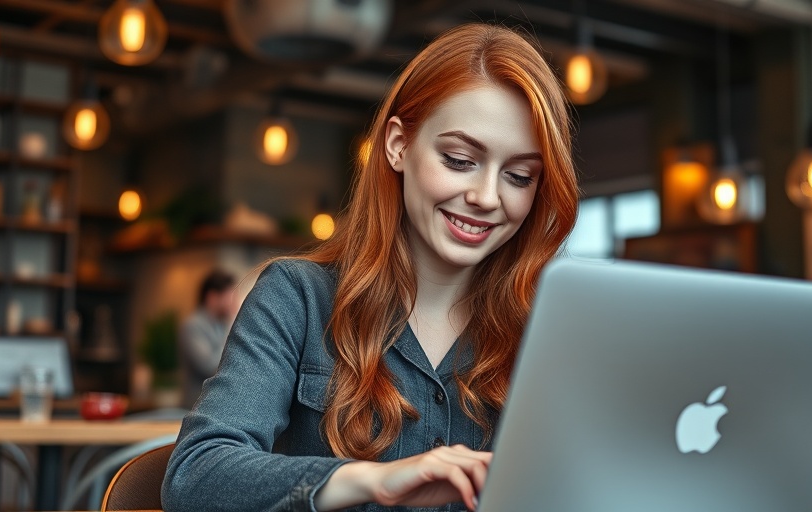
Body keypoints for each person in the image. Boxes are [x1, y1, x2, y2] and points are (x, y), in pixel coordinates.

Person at [163, 22, 579, 512]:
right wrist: (369, 481)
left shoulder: (547, 331)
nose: (487, 197)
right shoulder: (297, 298)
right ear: (398, 146)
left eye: (518, 175)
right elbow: (195, 475)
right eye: (460, 159)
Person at [178, 269, 238, 409]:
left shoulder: (222, 324)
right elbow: (209, 366)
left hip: (217, 406)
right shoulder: (192, 325)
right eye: (229, 295)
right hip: (195, 407)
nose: (232, 301)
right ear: (212, 297)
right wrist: (234, 328)